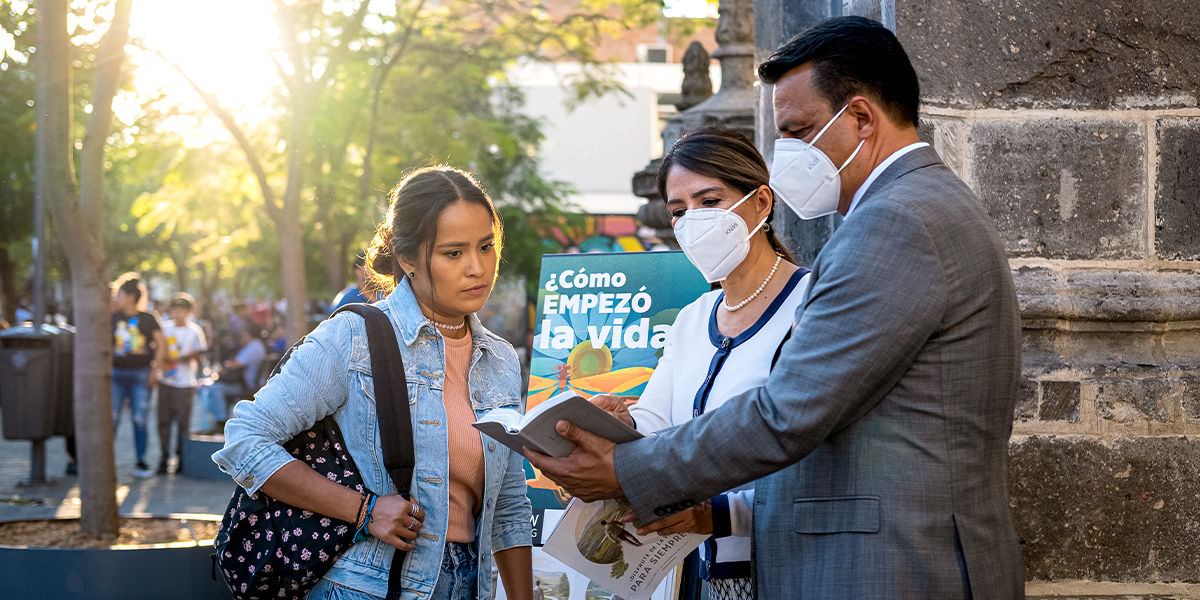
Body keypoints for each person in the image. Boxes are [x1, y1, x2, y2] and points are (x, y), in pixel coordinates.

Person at [526, 16, 1024, 599]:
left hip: (893, 563)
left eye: (799, 130)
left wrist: (627, 471)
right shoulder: (922, 205)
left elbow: (787, 414)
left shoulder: (893, 223)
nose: (787, 154)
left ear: (861, 118)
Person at [213, 166, 533, 600]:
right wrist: (365, 511)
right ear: (408, 259)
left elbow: (509, 503)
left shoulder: (499, 359)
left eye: (486, 246)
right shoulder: (356, 337)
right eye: (453, 253)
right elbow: (245, 440)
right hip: (370, 585)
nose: (477, 268)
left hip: (470, 584)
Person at [589, 127, 809, 600]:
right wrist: (612, 424)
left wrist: (724, 511)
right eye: (678, 211)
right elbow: (655, 426)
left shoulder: (813, 305)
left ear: (761, 203)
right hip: (687, 569)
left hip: (778, 567)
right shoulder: (693, 320)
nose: (694, 221)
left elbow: (816, 458)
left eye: (710, 200)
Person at [111, 273, 165, 478]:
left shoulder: (148, 318)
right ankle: (107, 461)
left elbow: (161, 346)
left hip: (141, 376)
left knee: (139, 419)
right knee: (112, 418)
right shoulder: (113, 318)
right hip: (116, 375)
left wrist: (155, 371)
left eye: (120, 294)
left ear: (131, 297)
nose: (117, 298)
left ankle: (141, 461)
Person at [157, 293, 208, 475]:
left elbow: (199, 354)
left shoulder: (194, 331)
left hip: (185, 382)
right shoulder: (164, 327)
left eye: (182, 310)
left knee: (182, 423)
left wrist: (182, 358)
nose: (177, 313)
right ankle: (164, 456)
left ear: (188, 312)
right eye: (175, 309)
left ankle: (181, 458)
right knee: (163, 420)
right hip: (166, 380)